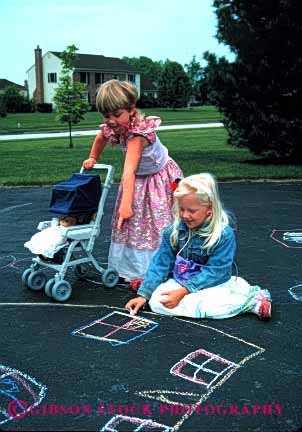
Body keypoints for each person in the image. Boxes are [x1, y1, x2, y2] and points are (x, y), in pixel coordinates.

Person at [125, 173, 272, 320]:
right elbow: (160, 263)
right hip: (181, 279)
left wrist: (184, 291)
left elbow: (216, 272)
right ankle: (148, 288)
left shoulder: (223, 235)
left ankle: (253, 302)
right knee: (158, 301)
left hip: (213, 284)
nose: (185, 215)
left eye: (192, 211)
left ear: (210, 209)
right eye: (182, 209)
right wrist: (143, 295)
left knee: (209, 304)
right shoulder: (174, 231)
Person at [83, 80, 183, 286]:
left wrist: (125, 205)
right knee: (135, 225)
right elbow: (101, 136)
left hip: (159, 179)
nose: (110, 121)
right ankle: (134, 269)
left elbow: (128, 171)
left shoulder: (138, 136)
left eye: (116, 114)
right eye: (106, 115)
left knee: (158, 221)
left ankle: (161, 266)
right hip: (139, 180)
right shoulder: (117, 127)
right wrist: (93, 157)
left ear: (131, 110)